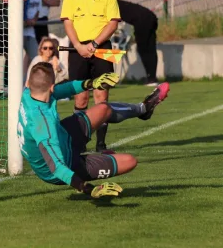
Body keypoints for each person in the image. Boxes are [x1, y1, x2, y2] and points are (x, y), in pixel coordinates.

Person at [18, 62, 170, 198]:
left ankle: (143, 109)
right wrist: (89, 189)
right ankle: (93, 159)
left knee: (103, 108)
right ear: (50, 87)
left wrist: (93, 83)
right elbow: (57, 168)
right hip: (64, 165)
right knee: (130, 161)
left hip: (63, 135)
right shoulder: (43, 125)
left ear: (28, 82)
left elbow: (63, 89)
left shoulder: (29, 92)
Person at [60, 0, 121, 152]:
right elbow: (68, 22)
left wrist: (94, 45)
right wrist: (78, 45)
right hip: (77, 49)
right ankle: (79, 143)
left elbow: (112, 23)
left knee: (101, 97)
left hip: (101, 49)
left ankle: (101, 145)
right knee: (81, 98)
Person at [117, 0, 159, 86]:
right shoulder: (120, 4)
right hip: (150, 17)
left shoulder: (110, 6)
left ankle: (151, 79)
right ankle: (152, 78)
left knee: (144, 49)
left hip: (142, 21)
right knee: (150, 48)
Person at [24, 0, 42, 80]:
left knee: (36, 59)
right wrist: (25, 21)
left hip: (30, 33)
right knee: (18, 62)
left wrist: (33, 20)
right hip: (19, 32)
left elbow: (38, 11)